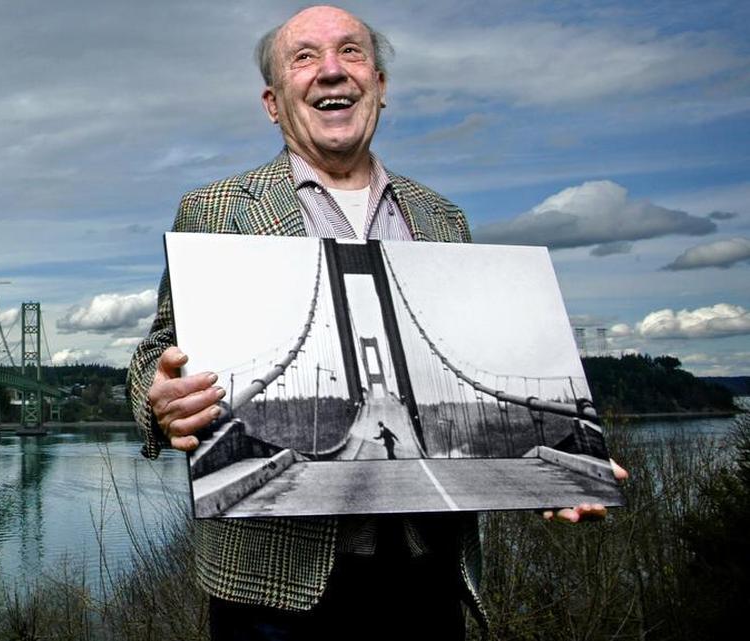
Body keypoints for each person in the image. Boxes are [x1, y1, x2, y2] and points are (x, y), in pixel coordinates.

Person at [127, 6, 626, 639]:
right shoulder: (215, 209)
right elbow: (156, 353)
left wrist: (558, 461)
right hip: (270, 590)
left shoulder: (443, 218)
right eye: (303, 58)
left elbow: (472, 372)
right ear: (273, 103)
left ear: (381, 88)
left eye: (351, 52)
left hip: (429, 572)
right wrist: (158, 397)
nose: (330, 70)